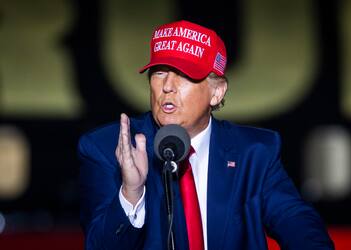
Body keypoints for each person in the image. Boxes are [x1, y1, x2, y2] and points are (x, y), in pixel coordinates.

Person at [78, 20, 334, 250]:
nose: (167, 86)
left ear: (217, 92)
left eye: (184, 75)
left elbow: (297, 223)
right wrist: (131, 192)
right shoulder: (107, 148)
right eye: (159, 72)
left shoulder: (254, 153)